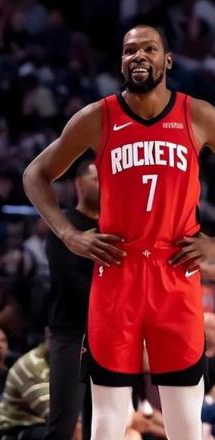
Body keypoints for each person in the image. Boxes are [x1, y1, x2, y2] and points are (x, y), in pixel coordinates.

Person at [23, 24, 215, 440]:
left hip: (174, 272)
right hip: (117, 274)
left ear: (167, 60)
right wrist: (68, 234)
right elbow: (35, 174)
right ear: (121, 62)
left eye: (149, 49)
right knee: (107, 421)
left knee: (185, 423)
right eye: (130, 51)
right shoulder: (98, 117)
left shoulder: (198, 114)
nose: (138, 56)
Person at [45, 159, 98, 440]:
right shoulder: (65, 225)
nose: (103, 186)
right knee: (63, 424)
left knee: (102, 424)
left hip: (108, 335)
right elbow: (70, 280)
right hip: (72, 333)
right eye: (96, 179)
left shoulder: (115, 226)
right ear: (78, 183)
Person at [0, 336, 50, 440]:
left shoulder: (63, 362)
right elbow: (51, 413)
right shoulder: (32, 364)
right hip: (20, 428)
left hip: (41, 424)